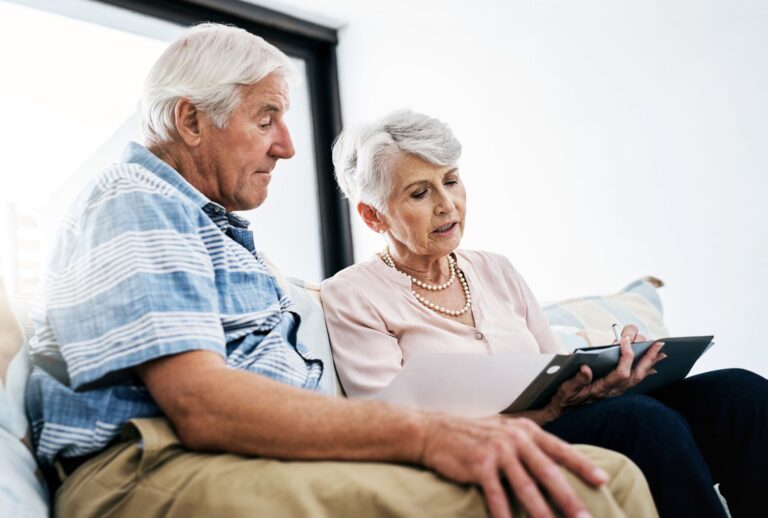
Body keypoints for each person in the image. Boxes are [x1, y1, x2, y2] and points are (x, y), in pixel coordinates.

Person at [23, 23, 658, 518]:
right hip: (156, 467)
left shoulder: (209, 227)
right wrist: (428, 435)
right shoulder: (139, 201)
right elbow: (200, 404)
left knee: (615, 472)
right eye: (266, 117)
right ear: (191, 120)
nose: (287, 145)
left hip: (231, 455)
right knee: (585, 490)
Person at [322, 109, 768, 517]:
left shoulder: (495, 269)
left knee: (739, 394)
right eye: (420, 192)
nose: (447, 205)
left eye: (452, 180)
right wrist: (551, 412)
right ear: (373, 216)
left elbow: (557, 373)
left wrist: (608, 381)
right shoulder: (352, 295)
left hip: (555, 423)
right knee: (643, 423)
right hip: (480, 453)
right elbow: (389, 427)